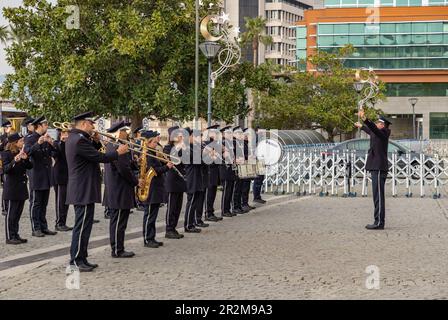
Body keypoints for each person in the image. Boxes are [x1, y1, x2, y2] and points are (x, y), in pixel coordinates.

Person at [66, 111, 128, 272]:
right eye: (91, 123)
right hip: (82, 189)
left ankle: (82, 257)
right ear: (83, 124)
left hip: (84, 188)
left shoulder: (80, 139)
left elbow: (92, 153)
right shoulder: (78, 140)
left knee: (85, 226)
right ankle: (76, 260)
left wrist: (96, 141)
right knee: (81, 227)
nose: (93, 126)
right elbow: (99, 157)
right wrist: (117, 152)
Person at [103, 121, 137, 258]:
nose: (127, 133)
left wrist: (134, 162)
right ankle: (117, 249)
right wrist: (136, 181)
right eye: (125, 131)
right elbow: (123, 169)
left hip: (118, 188)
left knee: (120, 221)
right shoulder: (117, 147)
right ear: (119, 132)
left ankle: (119, 247)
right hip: (119, 189)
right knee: (118, 221)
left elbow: (126, 165)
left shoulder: (113, 145)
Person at [355, 110, 391, 230]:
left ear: (382, 125)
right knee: (376, 195)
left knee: (378, 196)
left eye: (378, 123)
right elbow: (371, 131)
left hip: (379, 167)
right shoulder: (377, 132)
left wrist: (364, 118)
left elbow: (373, 130)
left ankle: (379, 222)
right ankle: (378, 220)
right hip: (375, 166)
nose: (376, 124)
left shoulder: (384, 133)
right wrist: (362, 126)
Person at [24, 116, 57, 237]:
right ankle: (35, 228)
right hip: (36, 174)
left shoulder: (46, 137)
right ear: (39, 126)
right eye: (45, 125)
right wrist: (38, 143)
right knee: (36, 203)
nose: (47, 127)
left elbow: (53, 153)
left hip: (46, 175)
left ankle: (44, 226)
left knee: (44, 203)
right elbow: (27, 153)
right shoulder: (30, 138)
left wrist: (52, 143)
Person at [141, 130, 174, 247]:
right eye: (154, 142)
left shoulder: (152, 152)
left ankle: (151, 237)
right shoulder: (147, 154)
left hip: (156, 187)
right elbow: (153, 170)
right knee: (149, 214)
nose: (156, 144)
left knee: (153, 215)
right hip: (150, 187)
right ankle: (147, 239)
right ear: (149, 142)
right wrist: (167, 167)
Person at [3, 133, 33, 244]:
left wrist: (25, 159)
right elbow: (5, 169)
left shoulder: (22, 152)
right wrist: (14, 161)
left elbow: (30, 166)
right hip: (12, 188)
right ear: (15, 143)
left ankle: (15, 234)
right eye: (21, 141)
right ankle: (9, 237)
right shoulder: (6, 154)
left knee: (18, 214)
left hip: (21, 187)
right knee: (11, 214)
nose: (23, 143)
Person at [163, 126, 186, 239]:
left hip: (180, 180)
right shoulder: (167, 148)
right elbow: (173, 160)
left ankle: (174, 227)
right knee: (171, 206)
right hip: (172, 180)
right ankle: (169, 229)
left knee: (178, 206)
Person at [51, 127, 72, 232]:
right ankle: (59, 223)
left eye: (67, 132)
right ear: (60, 134)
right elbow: (55, 155)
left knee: (66, 201)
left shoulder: (70, 143)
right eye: (64, 132)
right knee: (60, 201)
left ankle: (63, 222)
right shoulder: (56, 143)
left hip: (68, 175)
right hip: (59, 175)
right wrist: (62, 142)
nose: (66, 134)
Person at [184, 128, 204, 232]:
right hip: (192, 178)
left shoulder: (194, 147)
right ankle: (188, 225)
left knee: (195, 201)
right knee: (191, 202)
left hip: (198, 177)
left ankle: (192, 223)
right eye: (194, 136)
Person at [204, 125, 223, 222]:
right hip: (209, 171)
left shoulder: (216, 144)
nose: (217, 135)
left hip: (215, 171)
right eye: (215, 133)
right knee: (209, 193)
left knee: (213, 192)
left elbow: (219, 158)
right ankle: (208, 213)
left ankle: (211, 212)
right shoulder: (207, 144)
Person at [219, 126, 237, 217]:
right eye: (228, 133)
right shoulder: (221, 143)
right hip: (225, 169)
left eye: (230, 133)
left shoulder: (230, 143)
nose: (230, 135)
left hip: (231, 168)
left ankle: (228, 209)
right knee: (226, 190)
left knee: (230, 190)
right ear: (223, 134)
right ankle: (224, 210)